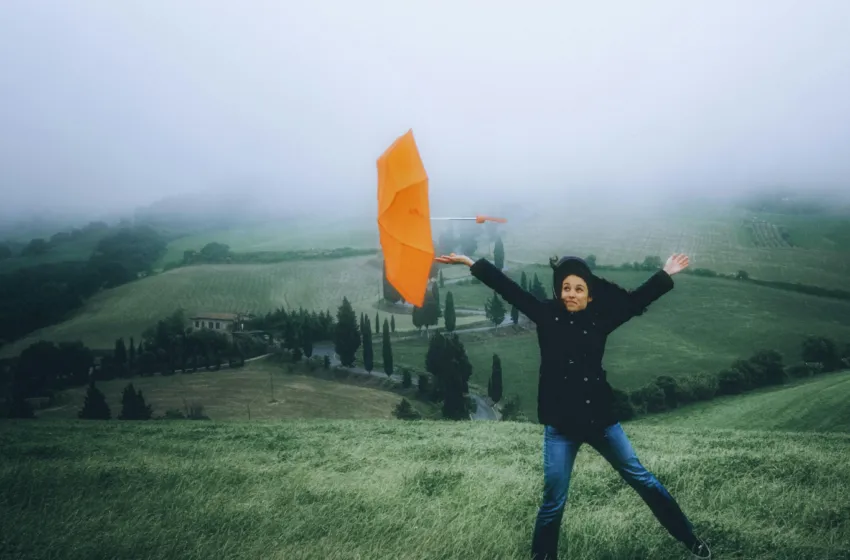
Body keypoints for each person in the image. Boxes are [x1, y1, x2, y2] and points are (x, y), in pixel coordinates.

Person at [435, 252, 711, 560]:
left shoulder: (600, 320)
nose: (571, 294)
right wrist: (471, 263)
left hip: (601, 422)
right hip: (561, 427)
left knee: (642, 480)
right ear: (559, 291)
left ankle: (691, 540)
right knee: (553, 501)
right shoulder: (545, 314)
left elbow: (634, 303)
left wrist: (666, 273)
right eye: (566, 287)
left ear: (589, 296)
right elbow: (508, 288)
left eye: (579, 288)